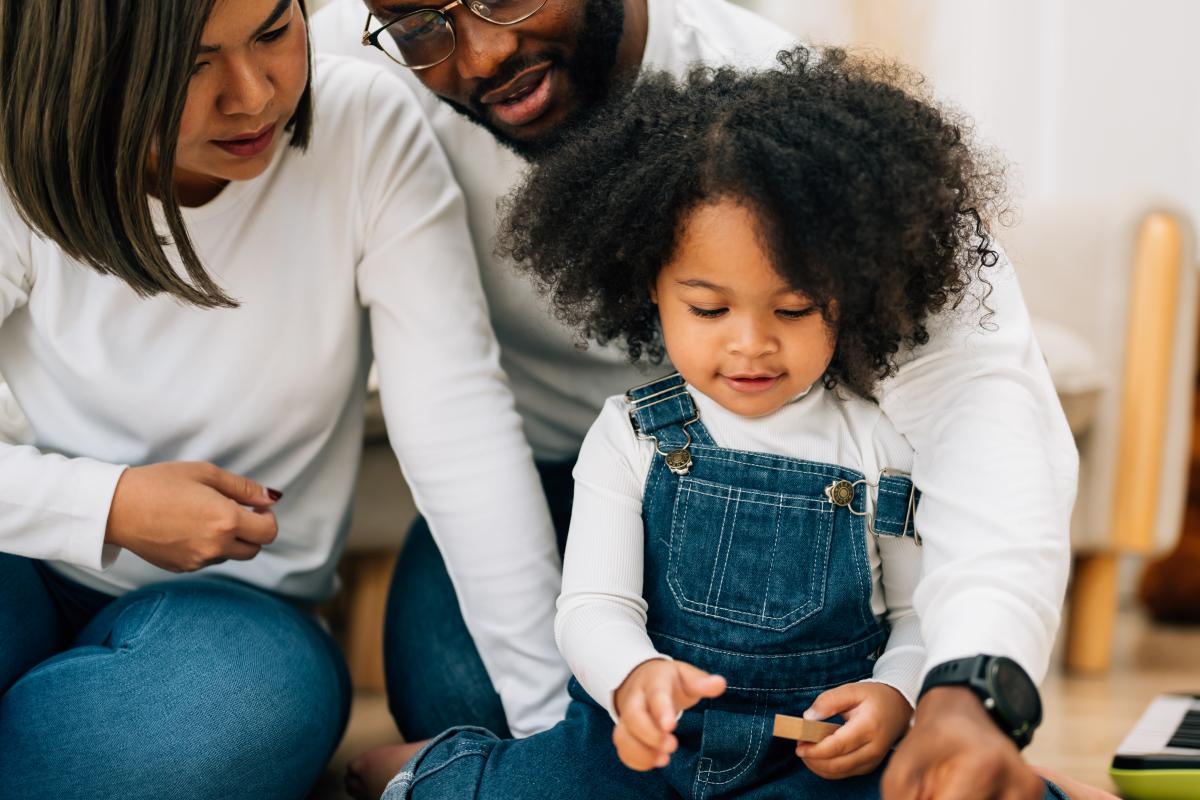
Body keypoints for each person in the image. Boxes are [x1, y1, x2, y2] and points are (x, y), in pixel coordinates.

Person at [313, 1, 1078, 797]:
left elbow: (983, 414)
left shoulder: (804, 124)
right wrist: (611, 711)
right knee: (478, 699)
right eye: (414, 22)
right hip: (554, 481)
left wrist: (963, 692)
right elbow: (453, 411)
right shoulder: (339, 71)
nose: (478, 56)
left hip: (820, 573)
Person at [0, 0, 564, 796]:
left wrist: (555, 736)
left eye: (273, 31)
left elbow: (460, 427)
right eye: (191, 66)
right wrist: (109, 504)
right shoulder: (14, 161)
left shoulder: (365, 129)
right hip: (18, 559)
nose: (255, 94)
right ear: (83, 68)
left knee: (240, 715)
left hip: (238, 620)